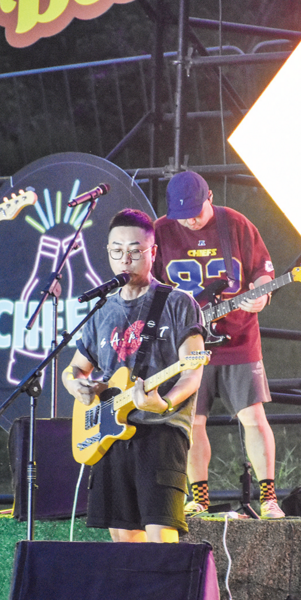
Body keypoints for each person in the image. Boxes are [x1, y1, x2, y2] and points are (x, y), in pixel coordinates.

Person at [62, 208, 205, 542]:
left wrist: (164, 402)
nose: (125, 259)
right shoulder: (103, 310)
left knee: (160, 537)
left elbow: (192, 372)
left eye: (135, 251)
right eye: (117, 251)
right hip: (109, 433)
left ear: (152, 253)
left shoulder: (178, 303)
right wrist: (77, 386)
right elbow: (74, 368)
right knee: (123, 541)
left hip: (161, 431)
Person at [153, 170, 284, 518]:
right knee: (193, 422)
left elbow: (262, 271)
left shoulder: (236, 224)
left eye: (197, 211)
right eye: (183, 215)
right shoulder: (161, 230)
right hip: (188, 343)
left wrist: (261, 295)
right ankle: (199, 499)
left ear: (210, 197)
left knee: (253, 416)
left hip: (238, 337)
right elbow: (148, 284)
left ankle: (268, 498)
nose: (192, 221)